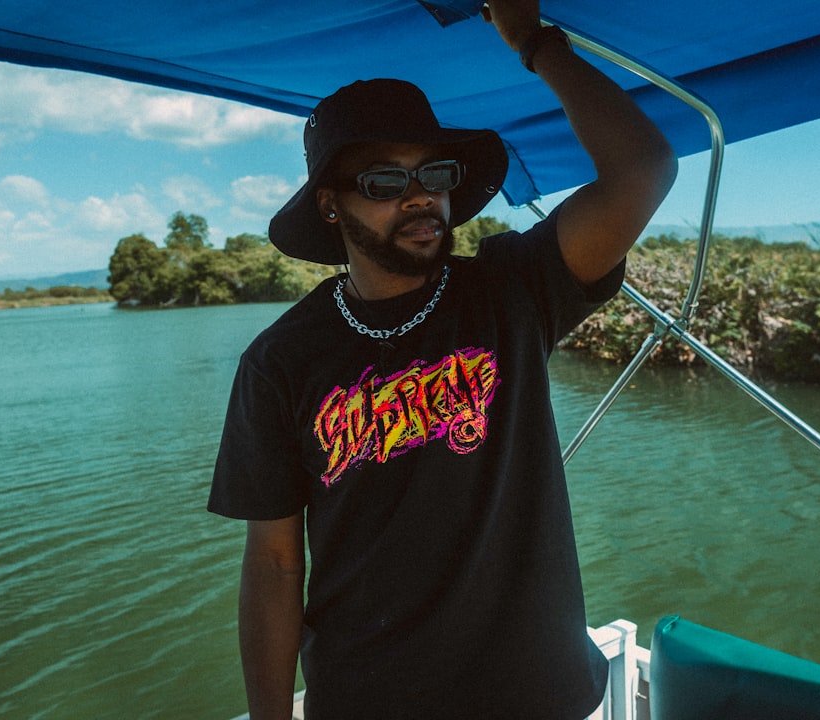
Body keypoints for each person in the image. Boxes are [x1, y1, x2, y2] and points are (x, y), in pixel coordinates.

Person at [208, 1, 677, 718]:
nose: (420, 197)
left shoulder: (514, 289)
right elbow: (274, 566)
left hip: (538, 694)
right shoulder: (280, 361)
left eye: (435, 172)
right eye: (384, 182)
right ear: (332, 207)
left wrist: (535, 44)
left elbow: (642, 168)